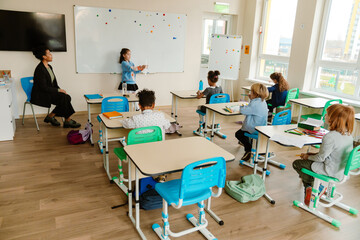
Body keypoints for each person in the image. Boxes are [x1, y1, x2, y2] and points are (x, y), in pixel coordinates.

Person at [292, 104, 354, 202]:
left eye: (327, 114)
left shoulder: (330, 137)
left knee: (297, 163)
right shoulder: (349, 135)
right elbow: (330, 153)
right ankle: (317, 188)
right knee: (308, 163)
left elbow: (321, 158)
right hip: (341, 171)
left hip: (330, 170)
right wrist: (310, 155)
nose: (325, 115)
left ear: (333, 118)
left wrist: (307, 157)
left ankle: (311, 188)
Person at [121, 89, 170, 182]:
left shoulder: (136, 119)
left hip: (139, 153)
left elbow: (125, 124)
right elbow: (167, 125)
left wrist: (125, 119)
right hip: (158, 151)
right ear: (154, 105)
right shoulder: (160, 116)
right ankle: (160, 175)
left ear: (139, 105)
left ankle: (138, 175)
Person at [31, 46, 81, 128]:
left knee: (66, 97)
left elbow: (54, 84)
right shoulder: (40, 69)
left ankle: (51, 116)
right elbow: (43, 87)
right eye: (49, 54)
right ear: (44, 56)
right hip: (41, 94)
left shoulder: (49, 67)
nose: (51, 55)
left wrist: (60, 90)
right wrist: (58, 90)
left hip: (49, 92)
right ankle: (67, 120)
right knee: (64, 98)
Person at [235, 83, 269, 161]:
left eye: (251, 92)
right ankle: (254, 146)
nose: (250, 94)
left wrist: (242, 106)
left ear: (256, 94)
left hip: (254, 128)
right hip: (262, 127)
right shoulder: (263, 101)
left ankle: (249, 149)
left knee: (239, 134)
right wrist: (252, 100)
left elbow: (243, 110)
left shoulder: (254, 103)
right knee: (244, 133)